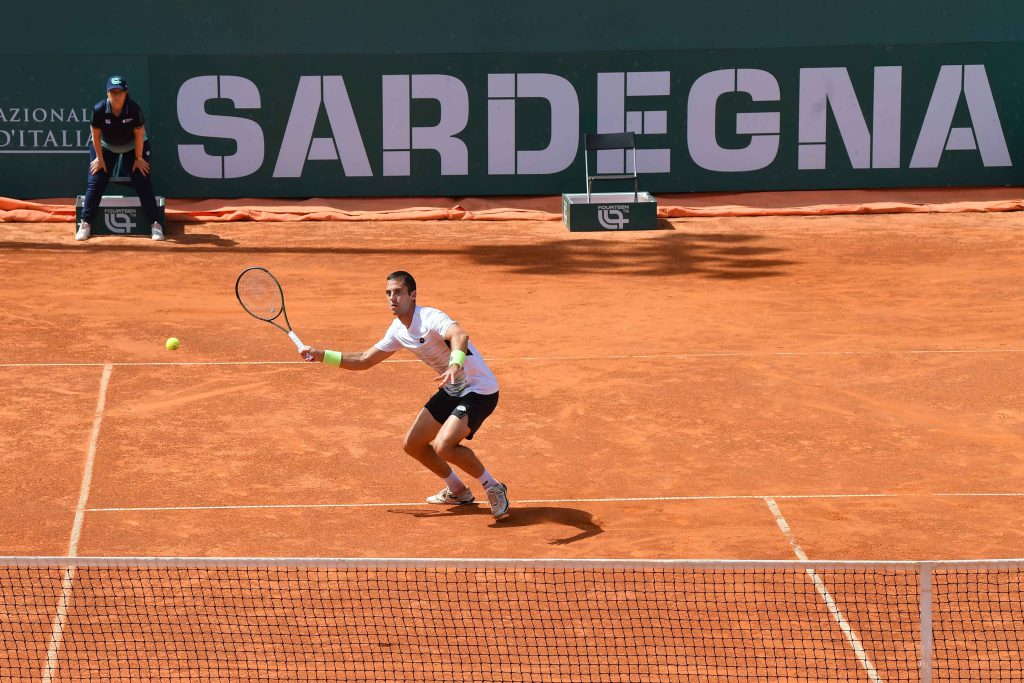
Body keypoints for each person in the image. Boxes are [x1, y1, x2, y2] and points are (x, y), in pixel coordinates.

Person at [299, 271, 510, 520]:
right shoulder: (397, 330)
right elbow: (365, 360)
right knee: (413, 444)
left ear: (412, 295)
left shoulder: (429, 316)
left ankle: (493, 486)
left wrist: (454, 364)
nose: (392, 298)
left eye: (398, 292)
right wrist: (322, 355)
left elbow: (460, 336)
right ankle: (458, 490)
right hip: (452, 388)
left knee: (444, 446)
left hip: (479, 389)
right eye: (388, 293)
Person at [76, 75, 164, 241]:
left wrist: (138, 158)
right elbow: (95, 136)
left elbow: (139, 135)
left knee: (142, 177)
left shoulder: (134, 109)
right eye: (113, 92)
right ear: (107, 93)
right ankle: (85, 223)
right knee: (96, 178)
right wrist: (99, 159)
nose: (116, 95)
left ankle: (155, 224)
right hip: (106, 146)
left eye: (120, 91)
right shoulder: (99, 109)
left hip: (134, 147)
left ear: (125, 93)